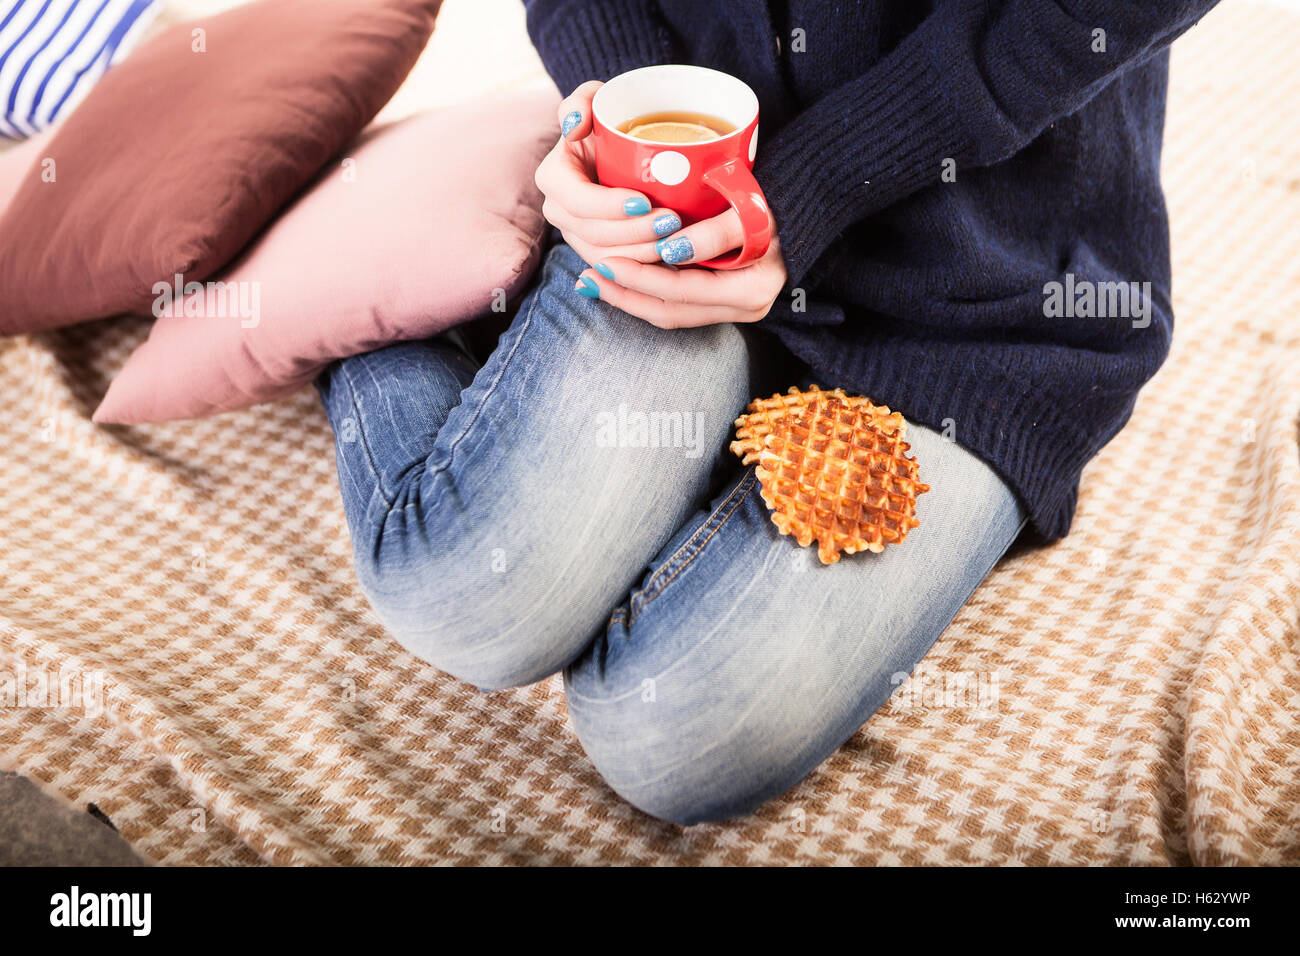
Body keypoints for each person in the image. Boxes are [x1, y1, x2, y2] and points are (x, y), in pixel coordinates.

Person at [315, 0, 1218, 824]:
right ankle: (366, 304)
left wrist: (811, 187)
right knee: (469, 599)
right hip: (687, 222)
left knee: (673, 738)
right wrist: (621, 107)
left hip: (986, 298)